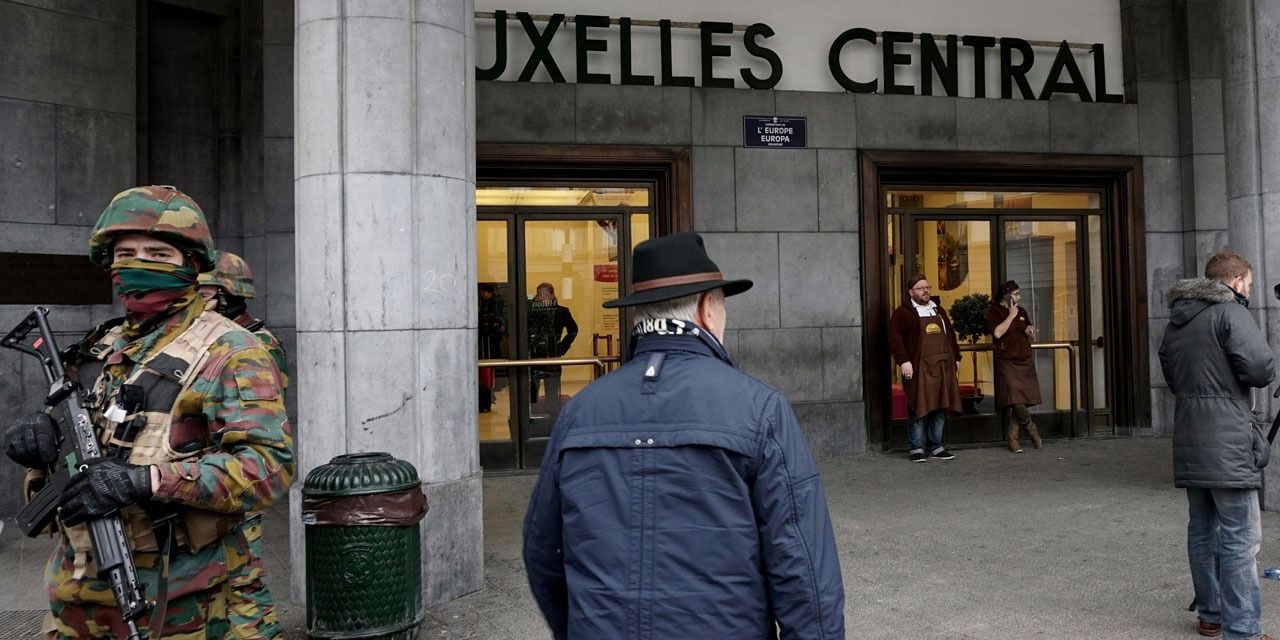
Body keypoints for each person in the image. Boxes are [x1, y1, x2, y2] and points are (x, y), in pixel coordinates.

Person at [3, 186, 295, 638]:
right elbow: (81, 443)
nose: (139, 264)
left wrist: (147, 480)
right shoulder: (98, 346)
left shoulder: (231, 351)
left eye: (158, 254)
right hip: (75, 594)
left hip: (178, 600)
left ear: (191, 264)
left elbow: (268, 467)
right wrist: (41, 438)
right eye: (126, 254)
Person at [522, 232, 846, 640]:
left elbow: (542, 552)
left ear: (637, 316)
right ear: (708, 308)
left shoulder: (579, 413)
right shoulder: (759, 409)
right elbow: (804, 570)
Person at [1160, 250, 1275, 640]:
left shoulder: (1177, 322)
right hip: (1228, 438)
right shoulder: (1231, 313)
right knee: (1241, 537)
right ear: (1237, 280)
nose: (1249, 290)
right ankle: (1242, 628)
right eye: (1249, 284)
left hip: (1190, 435)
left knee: (1202, 529)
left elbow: (1172, 378)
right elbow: (1260, 369)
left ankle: (1211, 615)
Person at [196, 249, 289, 639]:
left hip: (237, 472)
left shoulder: (255, 343)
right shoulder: (209, 338)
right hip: (208, 474)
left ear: (228, 294)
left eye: (205, 293)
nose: (197, 300)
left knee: (242, 575)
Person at [889, 275, 962, 463]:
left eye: (927, 287)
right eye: (920, 288)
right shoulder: (902, 313)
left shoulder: (938, 310)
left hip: (942, 366)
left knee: (940, 405)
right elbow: (895, 339)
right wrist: (904, 361)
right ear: (910, 292)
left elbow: (950, 336)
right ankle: (917, 448)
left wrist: (957, 357)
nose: (925, 291)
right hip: (918, 367)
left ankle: (936, 446)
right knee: (918, 406)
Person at [984, 280, 1043, 453]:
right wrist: (1010, 316)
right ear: (1007, 296)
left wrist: (1030, 332)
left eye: (1019, 293)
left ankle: (1013, 440)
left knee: (1020, 400)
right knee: (1016, 399)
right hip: (1007, 361)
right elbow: (997, 333)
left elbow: (1030, 333)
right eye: (1016, 294)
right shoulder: (993, 311)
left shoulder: (1022, 311)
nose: (1019, 297)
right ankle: (1031, 428)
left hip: (1024, 359)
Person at [527, 282, 577, 418]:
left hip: (552, 355)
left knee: (552, 391)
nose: (542, 297)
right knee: (532, 390)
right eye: (539, 294)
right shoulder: (532, 312)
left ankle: (553, 417)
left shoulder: (561, 311)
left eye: (545, 294)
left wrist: (561, 347)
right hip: (535, 355)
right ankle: (532, 416)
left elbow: (573, 330)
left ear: (552, 295)